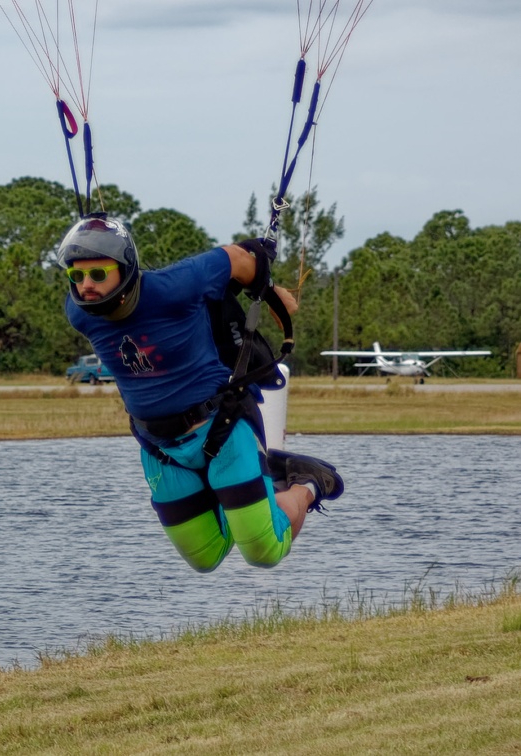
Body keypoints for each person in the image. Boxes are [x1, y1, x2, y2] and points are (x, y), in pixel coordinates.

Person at [58, 214, 344, 572]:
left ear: (125, 268)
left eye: (98, 274)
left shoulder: (176, 286)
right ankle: (259, 481)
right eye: (77, 275)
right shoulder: (79, 313)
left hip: (220, 430)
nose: (86, 285)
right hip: (161, 449)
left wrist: (271, 295)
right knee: (205, 559)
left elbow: (240, 258)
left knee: (263, 552)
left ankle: (306, 482)